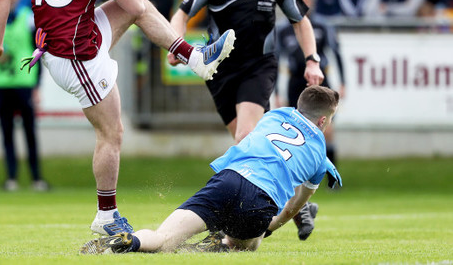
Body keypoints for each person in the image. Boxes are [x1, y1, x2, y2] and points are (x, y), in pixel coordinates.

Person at [0, 0, 235, 236]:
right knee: (112, 133)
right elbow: (135, 5)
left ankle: (193, 57)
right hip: (78, 59)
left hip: (65, 46)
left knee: (136, 6)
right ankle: (105, 216)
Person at [82, 85, 342, 254]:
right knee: (250, 244)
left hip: (228, 179)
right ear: (322, 120)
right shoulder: (321, 158)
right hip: (259, 202)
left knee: (163, 240)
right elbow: (295, 207)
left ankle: (132, 241)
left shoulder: (273, 116)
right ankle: (224, 244)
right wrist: (271, 228)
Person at [168, 0, 324, 145]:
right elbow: (181, 14)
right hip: (218, 69)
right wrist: (176, 45)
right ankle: (273, 179)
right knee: (246, 145)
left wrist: (312, 60)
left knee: (246, 136)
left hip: (259, 66)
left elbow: (301, 21)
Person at [276, 0, 346, 183]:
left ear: (311, 2)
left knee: (326, 129)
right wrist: (276, 93)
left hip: (320, 82)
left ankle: (331, 176)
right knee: (293, 131)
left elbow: (336, 53)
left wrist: (343, 83)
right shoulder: (282, 29)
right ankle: (297, 177)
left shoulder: (323, 25)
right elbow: (275, 60)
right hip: (295, 83)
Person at [0, 0, 49, 192]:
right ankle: (11, 177)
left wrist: (37, 84)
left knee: (30, 131)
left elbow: (39, 50)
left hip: (24, 81)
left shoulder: (28, 18)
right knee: (6, 131)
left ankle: (36, 177)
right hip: (1, 82)